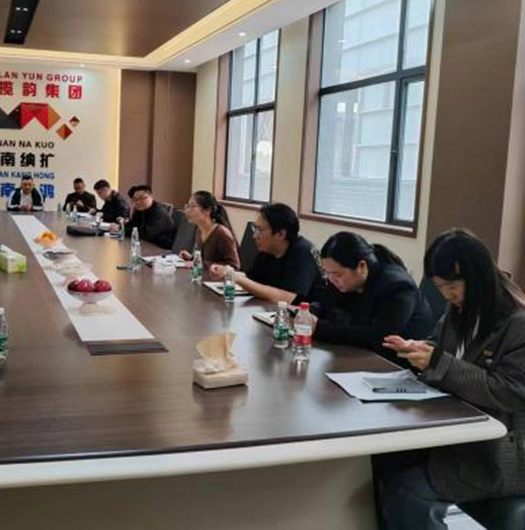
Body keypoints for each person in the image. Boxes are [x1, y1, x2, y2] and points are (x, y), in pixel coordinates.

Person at [378, 229, 525, 529]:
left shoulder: (517, 322)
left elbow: (510, 392)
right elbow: (442, 348)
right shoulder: (461, 308)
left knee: (407, 491)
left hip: (497, 453)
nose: (446, 295)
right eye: (439, 287)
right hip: (456, 434)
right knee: (380, 461)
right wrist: (418, 348)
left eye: (451, 286)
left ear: (477, 277)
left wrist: (438, 362)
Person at [311, 231, 432, 363]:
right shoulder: (343, 280)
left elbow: (378, 337)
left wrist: (318, 328)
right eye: (327, 273)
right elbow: (326, 305)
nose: (331, 279)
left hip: (395, 363)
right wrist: (308, 314)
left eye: (337, 274)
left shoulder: (397, 287)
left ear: (361, 266)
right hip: (355, 356)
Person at [210, 203, 319, 303]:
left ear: (281, 234)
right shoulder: (267, 250)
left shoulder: (302, 252)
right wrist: (227, 272)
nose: (254, 236)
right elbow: (251, 278)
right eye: (255, 229)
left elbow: (287, 298)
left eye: (260, 230)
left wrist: (237, 278)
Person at [179, 191, 239, 271]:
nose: (187, 211)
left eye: (193, 206)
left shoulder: (221, 233)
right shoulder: (200, 231)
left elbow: (234, 266)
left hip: (218, 278)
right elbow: (207, 259)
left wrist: (200, 264)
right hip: (204, 276)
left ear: (207, 211)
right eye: (187, 206)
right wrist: (191, 258)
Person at [109, 185, 175, 249]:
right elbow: (133, 224)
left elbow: (146, 234)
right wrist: (121, 226)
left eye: (141, 198)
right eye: (135, 199)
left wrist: (121, 229)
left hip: (160, 248)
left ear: (151, 197)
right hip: (145, 244)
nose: (138, 202)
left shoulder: (158, 212)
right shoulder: (141, 210)